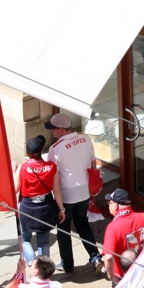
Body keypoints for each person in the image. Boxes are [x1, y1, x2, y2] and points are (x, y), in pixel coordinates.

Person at [45, 113, 102, 273]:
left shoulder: (55, 149)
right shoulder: (85, 138)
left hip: (66, 195)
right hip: (84, 191)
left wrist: (59, 204)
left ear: (61, 130)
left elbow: (52, 175)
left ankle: (67, 263)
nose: (52, 132)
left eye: (53, 129)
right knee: (83, 225)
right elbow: (93, 165)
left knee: (63, 230)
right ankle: (96, 257)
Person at [15, 135, 63, 263]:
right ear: (41, 151)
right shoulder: (52, 167)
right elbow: (56, 190)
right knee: (44, 242)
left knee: (25, 240)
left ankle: (33, 263)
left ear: (28, 153)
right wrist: (62, 210)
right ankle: (44, 270)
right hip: (46, 208)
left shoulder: (22, 168)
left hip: (27, 209)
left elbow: (14, 189)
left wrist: (14, 172)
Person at [101, 189, 144, 285]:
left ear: (116, 205)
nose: (109, 205)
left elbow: (108, 257)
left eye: (110, 202)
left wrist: (111, 276)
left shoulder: (113, 227)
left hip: (125, 279)